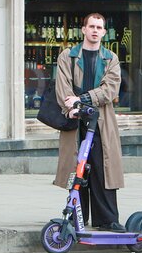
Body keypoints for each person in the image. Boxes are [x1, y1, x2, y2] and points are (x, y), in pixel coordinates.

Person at [54, 13, 125, 232]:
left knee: (104, 169)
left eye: (99, 27)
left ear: (104, 32)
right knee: (78, 169)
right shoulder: (68, 56)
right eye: (91, 26)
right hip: (76, 120)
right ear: (83, 29)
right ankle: (77, 217)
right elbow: (62, 86)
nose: (95, 30)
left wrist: (82, 99)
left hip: (102, 121)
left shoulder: (110, 58)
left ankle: (107, 220)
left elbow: (110, 89)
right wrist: (73, 106)